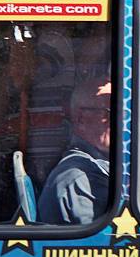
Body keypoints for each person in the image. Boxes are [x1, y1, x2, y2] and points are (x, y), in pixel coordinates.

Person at [38, 77, 111, 224]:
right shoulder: (80, 178)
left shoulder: (96, 165)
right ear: (81, 118)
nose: (122, 121)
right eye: (109, 113)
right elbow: (99, 243)